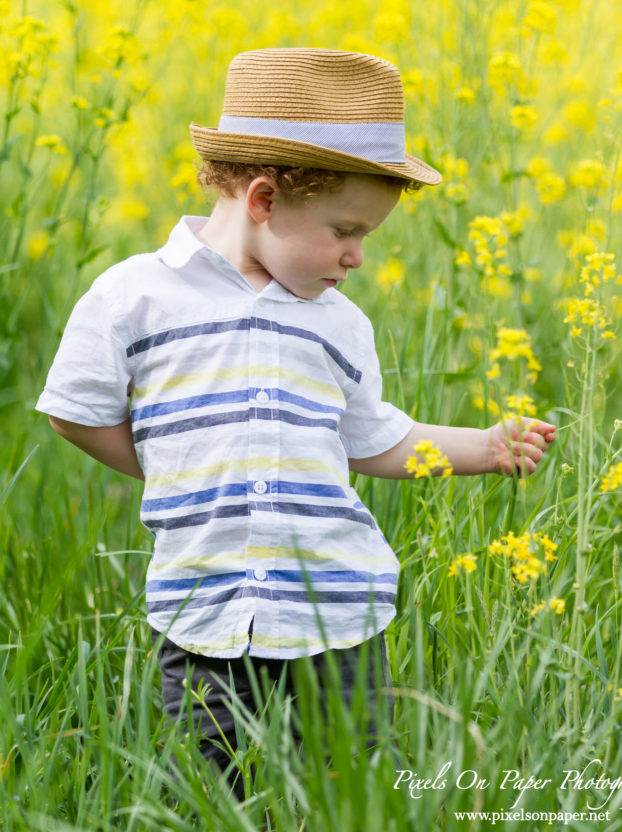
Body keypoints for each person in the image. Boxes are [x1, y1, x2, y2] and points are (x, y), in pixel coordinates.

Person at [36, 47, 555, 797]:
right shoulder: (132, 298)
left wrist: (484, 446)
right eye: (346, 230)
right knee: (212, 793)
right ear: (262, 200)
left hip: (336, 615)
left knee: (340, 790)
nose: (356, 257)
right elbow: (74, 413)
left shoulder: (337, 324)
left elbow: (376, 440)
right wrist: (177, 462)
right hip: (204, 616)